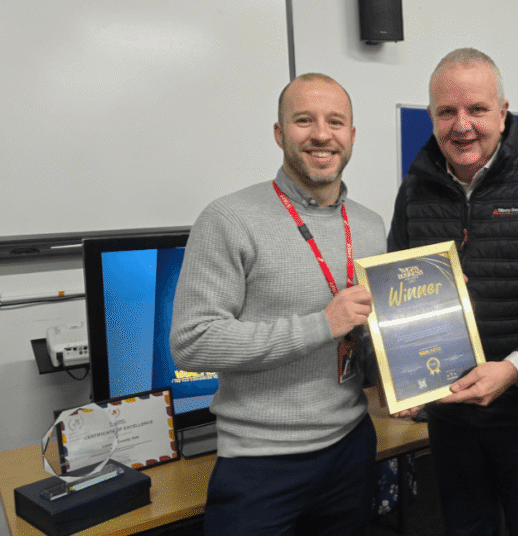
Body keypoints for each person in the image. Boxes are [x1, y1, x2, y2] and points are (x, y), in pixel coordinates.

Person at [388, 48, 518, 536]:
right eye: (447, 112)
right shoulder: (414, 190)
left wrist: (514, 368)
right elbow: (397, 293)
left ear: (503, 114)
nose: (461, 125)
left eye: (477, 110)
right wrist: (401, 371)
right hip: (450, 414)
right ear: (432, 117)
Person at [170, 73, 387, 536]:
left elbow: (366, 330)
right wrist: (320, 325)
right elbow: (192, 342)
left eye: (336, 121)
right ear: (279, 133)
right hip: (260, 463)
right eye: (304, 120)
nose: (322, 134)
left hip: (352, 447)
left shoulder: (370, 225)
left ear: (351, 135)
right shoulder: (228, 219)